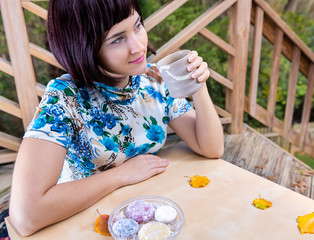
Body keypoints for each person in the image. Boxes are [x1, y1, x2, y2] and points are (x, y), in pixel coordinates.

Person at [9, 0, 224, 236]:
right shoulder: (64, 98)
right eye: (117, 39)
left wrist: (198, 86)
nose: (138, 46)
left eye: (138, 26)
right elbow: (25, 216)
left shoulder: (153, 80)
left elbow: (211, 147)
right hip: (82, 222)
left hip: (145, 212)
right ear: (83, 47)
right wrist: (121, 174)